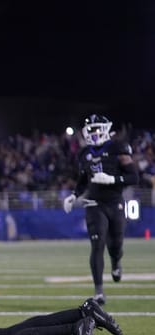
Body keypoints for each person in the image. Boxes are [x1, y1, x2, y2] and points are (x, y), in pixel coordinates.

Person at [63, 114, 140, 305]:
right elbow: (83, 180)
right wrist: (74, 195)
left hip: (115, 202)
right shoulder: (84, 153)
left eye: (97, 129)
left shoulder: (118, 148)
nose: (94, 133)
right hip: (94, 204)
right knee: (97, 245)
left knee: (116, 244)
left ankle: (116, 261)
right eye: (91, 130)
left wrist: (112, 179)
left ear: (106, 129)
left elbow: (134, 177)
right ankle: (99, 291)